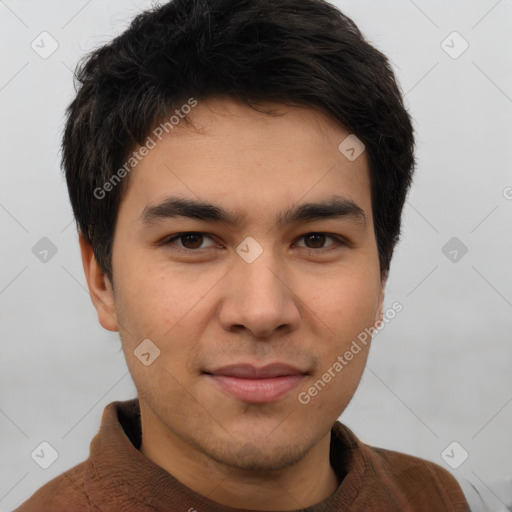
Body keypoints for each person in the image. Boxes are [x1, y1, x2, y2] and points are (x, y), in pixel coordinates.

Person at [15, 0, 471, 510]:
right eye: (192, 240)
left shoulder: (431, 496)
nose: (261, 312)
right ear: (102, 279)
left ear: (381, 274)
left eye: (316, 240)